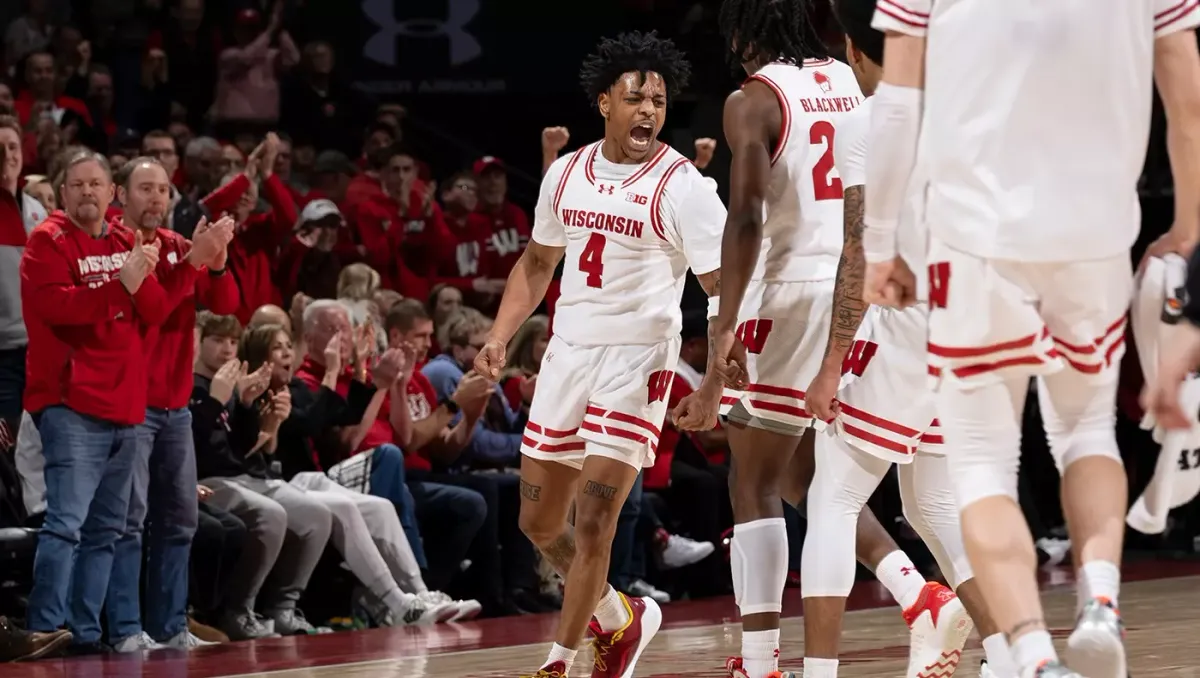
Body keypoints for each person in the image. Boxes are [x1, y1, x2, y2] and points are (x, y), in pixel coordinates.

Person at [862, 2, 1200, 677]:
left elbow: (896, 103)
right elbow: (1186, 100)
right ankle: (1100, 600)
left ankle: (1035, 657)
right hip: (1095, 234)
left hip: (973, 235)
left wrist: (880, 242)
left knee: (983, 461)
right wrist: (1189, 228)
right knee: (1087, 431)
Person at [671, 3, 945, 676]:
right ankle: (918, 593)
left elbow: (746, 219)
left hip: (791, 293)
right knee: (807, 472)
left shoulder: (752, 99)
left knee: (755, 478)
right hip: (862, 293)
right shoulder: (847, 79)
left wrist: (725, 322)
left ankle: (760, 659)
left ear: (740, 33)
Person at [473, 31, 725, 678]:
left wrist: (716, 380)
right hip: (568, 355)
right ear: (605, 103)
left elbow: (725, 287)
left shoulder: (683, 186)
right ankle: (619, 616)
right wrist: (500, 335)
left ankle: (560, 663)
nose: (648, 110)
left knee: (594, 523)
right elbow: (536, 262)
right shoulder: (567, 171)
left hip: (638, 360)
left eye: (660, 100)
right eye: (636, 98)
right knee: (537, 521)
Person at [780, 3, 1011, 676]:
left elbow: (857, 253)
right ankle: (1008, 654)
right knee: (934, 504)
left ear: (855, 51)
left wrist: (828, 368)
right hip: (974, 328)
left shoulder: (869, 119)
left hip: (911, 326)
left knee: (832, 497)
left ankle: (818, 674)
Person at [20, 149, 184, 653]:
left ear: (112, 193)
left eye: (96, 184)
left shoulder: (124, 240)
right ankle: (43, 627)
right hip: (72, 406)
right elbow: (59, 308)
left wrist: (173, 269)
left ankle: (87, 635)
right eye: (77, 185)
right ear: (63, 193)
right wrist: (122, 288)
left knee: (107, 530)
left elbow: (155, 309)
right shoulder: (46, 242)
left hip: (127, 407)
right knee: (66, 525)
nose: (87, 192)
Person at [105, 158, 238, 652]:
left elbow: (224, 306)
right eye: (145, 189)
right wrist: (195, 262)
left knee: (180, 519)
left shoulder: (181, 247)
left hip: (175, 407)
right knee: (130, 520)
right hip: (132, 406)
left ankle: (168, 627)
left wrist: (217, 260)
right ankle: (123, 630)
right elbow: (156, 307)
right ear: (121, 195)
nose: (157, 199)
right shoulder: (115, 245)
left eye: (163, 190)